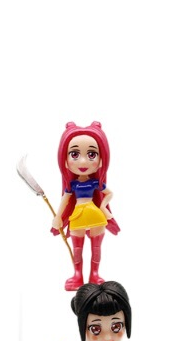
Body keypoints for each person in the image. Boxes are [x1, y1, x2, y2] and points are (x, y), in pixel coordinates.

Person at [51, 121, 119, 290]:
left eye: (91, 154)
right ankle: (77, 275)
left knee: (96, 246)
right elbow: (65, 200)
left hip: (95, 215)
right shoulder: (72, 185)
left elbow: (109, 193)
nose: (83, 161)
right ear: (64, 160)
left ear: (101, 159)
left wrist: (103, 207)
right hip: (77, 216)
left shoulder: (95, 183)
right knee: (77, 248)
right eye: (74, 154)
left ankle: (94, 274)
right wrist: (58, 217)